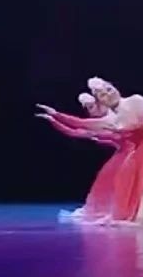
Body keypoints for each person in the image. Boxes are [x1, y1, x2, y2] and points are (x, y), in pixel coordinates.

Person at [38, 77, 143, 226]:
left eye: (109, 89)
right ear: (101, 102)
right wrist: (56, 116)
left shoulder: (135, 101)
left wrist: (121, 128)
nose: (108, 94)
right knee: (130, 177)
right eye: (103, 95)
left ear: (115, 88)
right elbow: (81, 125)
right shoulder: (111, 118)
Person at [43, 92, 125, 223]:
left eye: (92, 105)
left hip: (132, 153)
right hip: (123, 154)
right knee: (108, 181)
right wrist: (54, 119)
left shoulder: (115, 115)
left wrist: (56, 115)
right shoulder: (96, 126)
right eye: (88, 107)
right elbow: (74, 130)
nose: (91, 110)